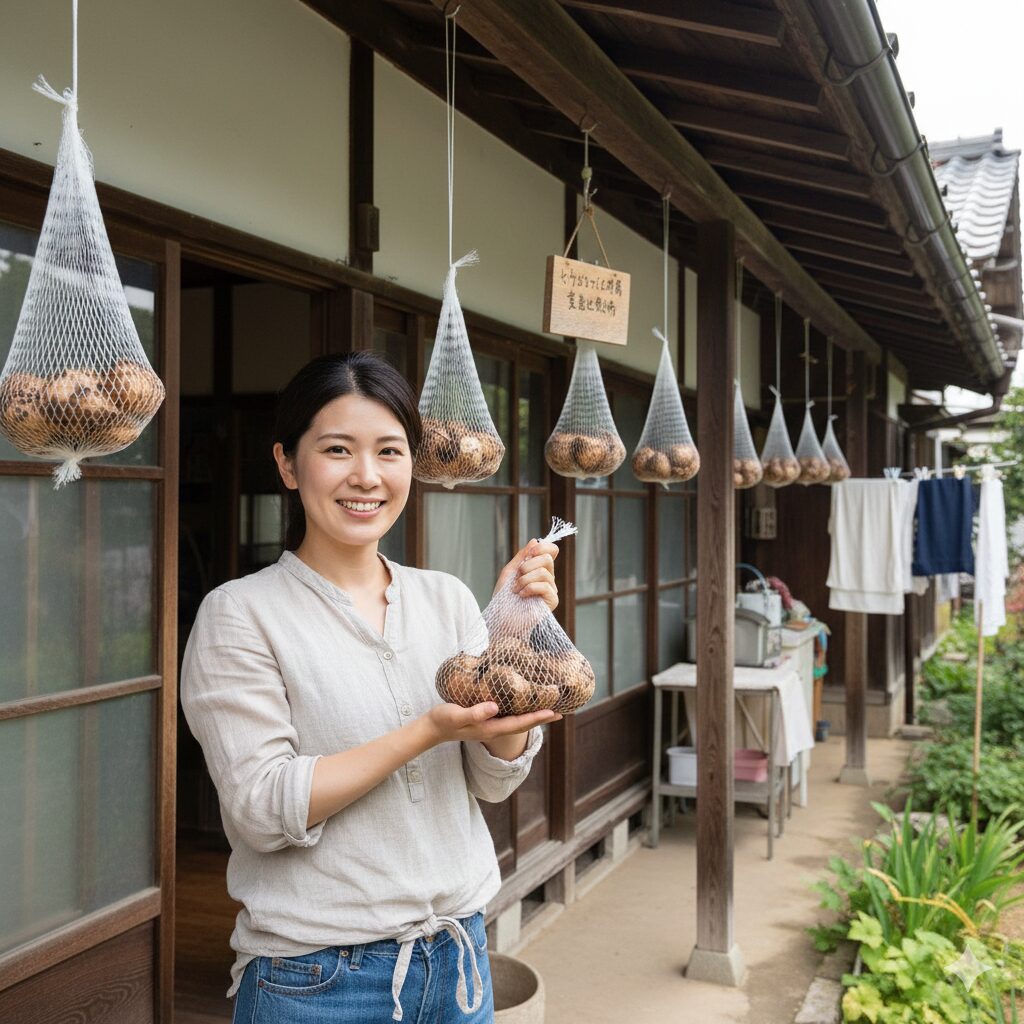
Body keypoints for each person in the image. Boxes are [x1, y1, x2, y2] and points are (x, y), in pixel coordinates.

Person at [181, 351, 563, 1024]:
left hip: (458, 958)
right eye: (337, 449)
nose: (366, 476)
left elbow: (493, 781)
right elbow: (261, 810)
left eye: (390, 451)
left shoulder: (445, 598)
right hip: (316, 978)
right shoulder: (239, 615)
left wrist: (516, 644)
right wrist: (427, 730)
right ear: (288, 463)